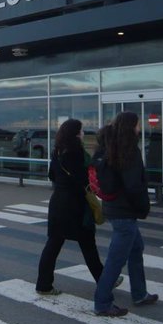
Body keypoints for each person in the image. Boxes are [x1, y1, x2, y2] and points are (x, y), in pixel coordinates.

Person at [93, 111, 158, 317]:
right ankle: (102, 302)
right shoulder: (129, 150)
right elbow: (133, 186)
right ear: (131, 126)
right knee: (116, 260)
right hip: (125, 211)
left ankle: (140, 293)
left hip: (112, 207)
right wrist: (143, 208)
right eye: (138, 124)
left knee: (136, 248)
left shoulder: (108, 146)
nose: (140, 128)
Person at [35, 118, 105, 295]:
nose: (83, 133)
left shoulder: (57, 151)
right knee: (88, 243)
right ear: (75, 133)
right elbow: (82, 179)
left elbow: (52, 175)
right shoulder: (76, 153)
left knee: (53, 243)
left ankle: (44, 285)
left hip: (58, 202)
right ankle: (105, 280)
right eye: (81, 131)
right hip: (75, 204)